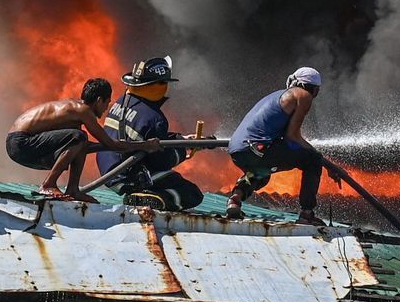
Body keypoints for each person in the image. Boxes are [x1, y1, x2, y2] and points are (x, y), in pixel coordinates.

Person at [6, 78, 160, 201]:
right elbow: (110, 143)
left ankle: (73, 189)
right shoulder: (83, 111)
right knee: (80, 137)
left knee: (80, 141)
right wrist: (145, 145)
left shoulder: (75, 112)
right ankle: (48, 184)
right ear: (99, 100)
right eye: (107, 102)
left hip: (21, 145)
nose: (107, 108)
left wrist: (112, 146)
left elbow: (83, 147)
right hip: (20, 142)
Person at [96, 55, 204, 211]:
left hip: (108, 169)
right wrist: (182, 150)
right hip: (129, 174)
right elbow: (161, 161)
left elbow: (146, 136)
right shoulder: (154, 118)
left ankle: (141, 194)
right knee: (191, 193)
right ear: (157, 86)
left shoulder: (122, 101)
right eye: (164, 83)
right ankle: (153, 199)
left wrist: (181, 139)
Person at [227, 66, 329, 223]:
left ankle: (235, 199)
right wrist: (319, 156)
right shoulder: (303, 95)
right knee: (313, 160)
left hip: (237, 151)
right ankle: (307, 214)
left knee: (261, 173)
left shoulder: (276, 96)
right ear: (314, 90)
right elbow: (293, 137)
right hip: (257, 149)